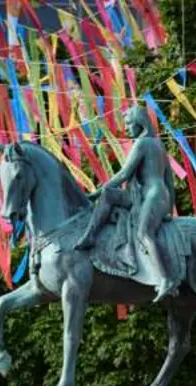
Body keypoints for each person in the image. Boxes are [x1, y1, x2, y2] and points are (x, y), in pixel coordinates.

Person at [74, 105, 177, 302]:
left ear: (140, 123)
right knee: (109, 196)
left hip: (152, 196)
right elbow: (170, 183)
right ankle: (91, 234)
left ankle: (165, 279)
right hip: (153, 195)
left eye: (129, 123)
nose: (127, 128)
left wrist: (96, 192)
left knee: (143, 233)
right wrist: (169, 206)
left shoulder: (143, 143)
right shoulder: (157, 145)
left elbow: (124, 174)